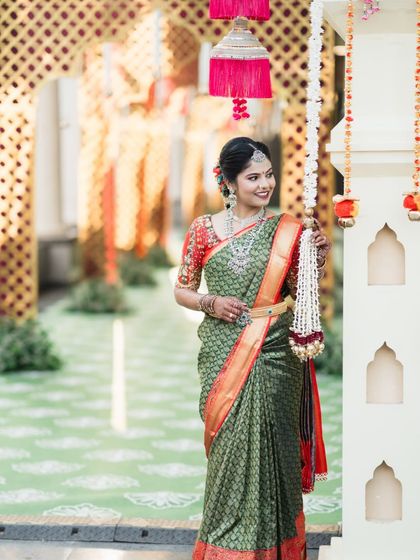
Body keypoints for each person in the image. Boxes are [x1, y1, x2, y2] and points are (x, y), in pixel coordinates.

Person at [174, 137, 331, 559]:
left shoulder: (288, 230)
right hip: (223, 353)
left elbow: (302, 292)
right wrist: (210, 302)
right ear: (228, 182)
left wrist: (315, 260)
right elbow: (182, 290)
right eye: (253, 177)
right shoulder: (203, 230)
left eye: (268, 175)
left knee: (276, 454)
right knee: (228, 455)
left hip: (277, 354)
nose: (265, 185)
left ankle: (277, 549)